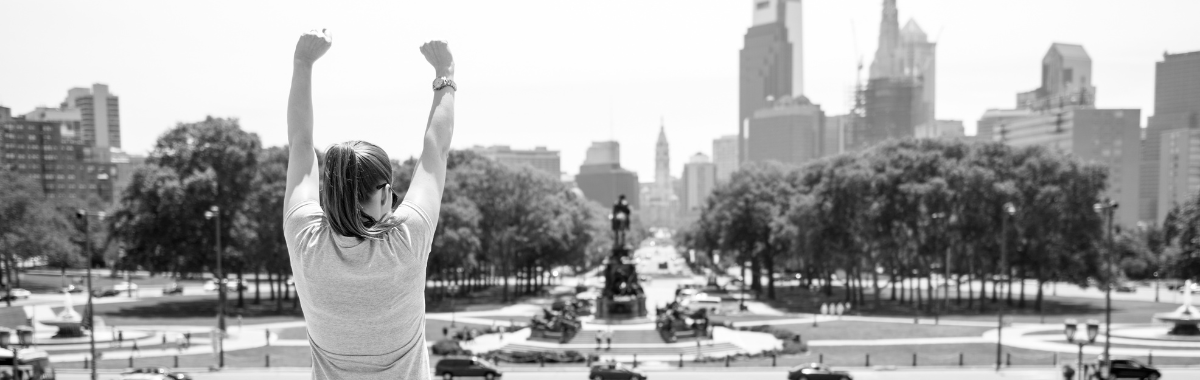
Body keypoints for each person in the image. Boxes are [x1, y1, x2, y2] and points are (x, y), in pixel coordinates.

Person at [282, 29, 456, 379]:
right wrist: (445, 72)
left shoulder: (305, 240)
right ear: (385, 194)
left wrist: (303, 61)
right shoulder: (407, 240)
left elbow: (300, 145)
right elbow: (436, 150)